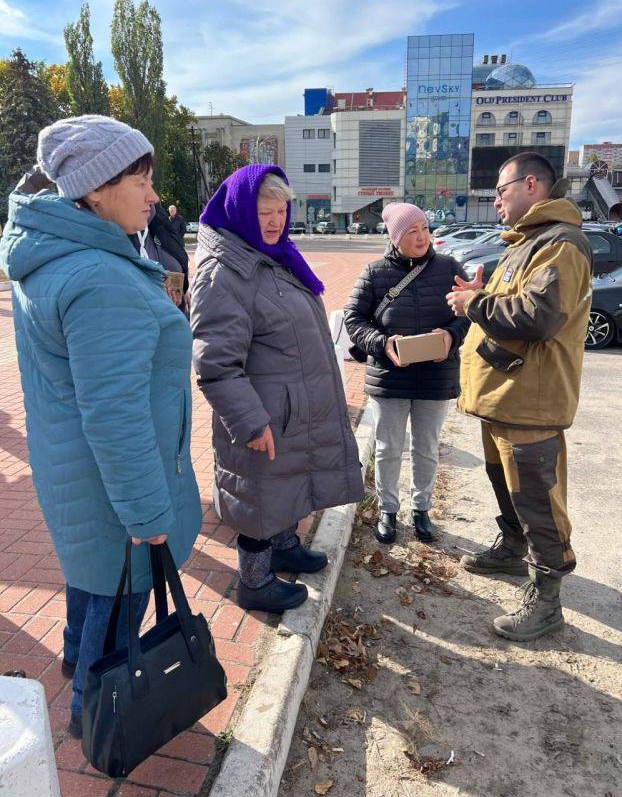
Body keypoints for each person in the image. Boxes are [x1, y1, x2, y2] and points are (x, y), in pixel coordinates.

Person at [0, 115, 202, 737]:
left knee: (92, 592)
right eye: (140, 180)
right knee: (115, 617)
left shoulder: (59, 256)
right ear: (92, 190)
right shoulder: (98, 277)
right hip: (117, 496)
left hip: (80, 482)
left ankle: (77, 664)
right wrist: (148, 516)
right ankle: (97, 723)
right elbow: (115, 415)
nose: (153, 195)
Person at [190, 163, 364, 613]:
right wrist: (249, 421)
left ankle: (285, 547)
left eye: (281, 210)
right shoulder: (224, 271)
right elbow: (216, 363)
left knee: (286, 488)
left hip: (290, 409)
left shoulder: (275, 256)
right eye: (264, 211)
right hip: (263, 415)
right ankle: (255, 582)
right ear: (241, 211)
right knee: (260, 498)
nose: (274, 221)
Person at [446, 151, 592, 642]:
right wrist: (483, 297)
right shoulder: (525, 244)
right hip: (503, 397)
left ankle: (547, 601)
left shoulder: (559, 245)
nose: (496, 200)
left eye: (501, 190)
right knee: (506, 486)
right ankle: (512, 550)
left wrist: (476, 303)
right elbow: (515, 306)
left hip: (531, 402)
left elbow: (540, 316)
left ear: (532, 185)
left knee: (536, 498)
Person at [344, 203, 469, 545]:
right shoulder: (374, 273)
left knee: (427, 447)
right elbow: (353, 320)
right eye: (412, 232)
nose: (422, 237)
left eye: (425, 229)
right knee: (387, 447)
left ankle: (421, 509)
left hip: (435, 375)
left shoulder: (448, 268)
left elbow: (466, 313)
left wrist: (451, 335)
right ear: (396, 238)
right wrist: (382, 343)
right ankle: (387, 509)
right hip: (390, 377)